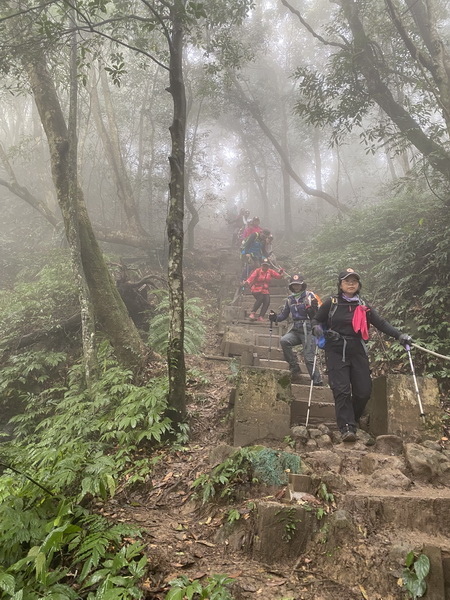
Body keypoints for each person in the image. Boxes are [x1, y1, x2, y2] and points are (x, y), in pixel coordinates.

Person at [311, 268, 412, 442]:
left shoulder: (363, 305)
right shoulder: (332, 302)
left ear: (358, 285)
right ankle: (347, 427)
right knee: (341, 390)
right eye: (347, 281)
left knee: (364, 391)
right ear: (340, 284)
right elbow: (316, 321)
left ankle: (354, 418)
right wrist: (320, 331)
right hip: (336, 349)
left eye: (354, 281)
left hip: (357, 348)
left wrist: (400, 335)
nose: (351, 284)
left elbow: (381, 323)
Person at [269, 273, 323, 385]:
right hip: (295, 328)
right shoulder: (290, 299)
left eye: (298, 284)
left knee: (308, 357)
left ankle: (317, 381)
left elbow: (320, 313)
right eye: (294, 285)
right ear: (291, 286)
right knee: (284, 341)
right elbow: (283, 315)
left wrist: (314, 314)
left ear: (302, 285)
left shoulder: (310, 296)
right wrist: (275, 317)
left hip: (308, 329)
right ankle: (294, 367)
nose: (296, 287)